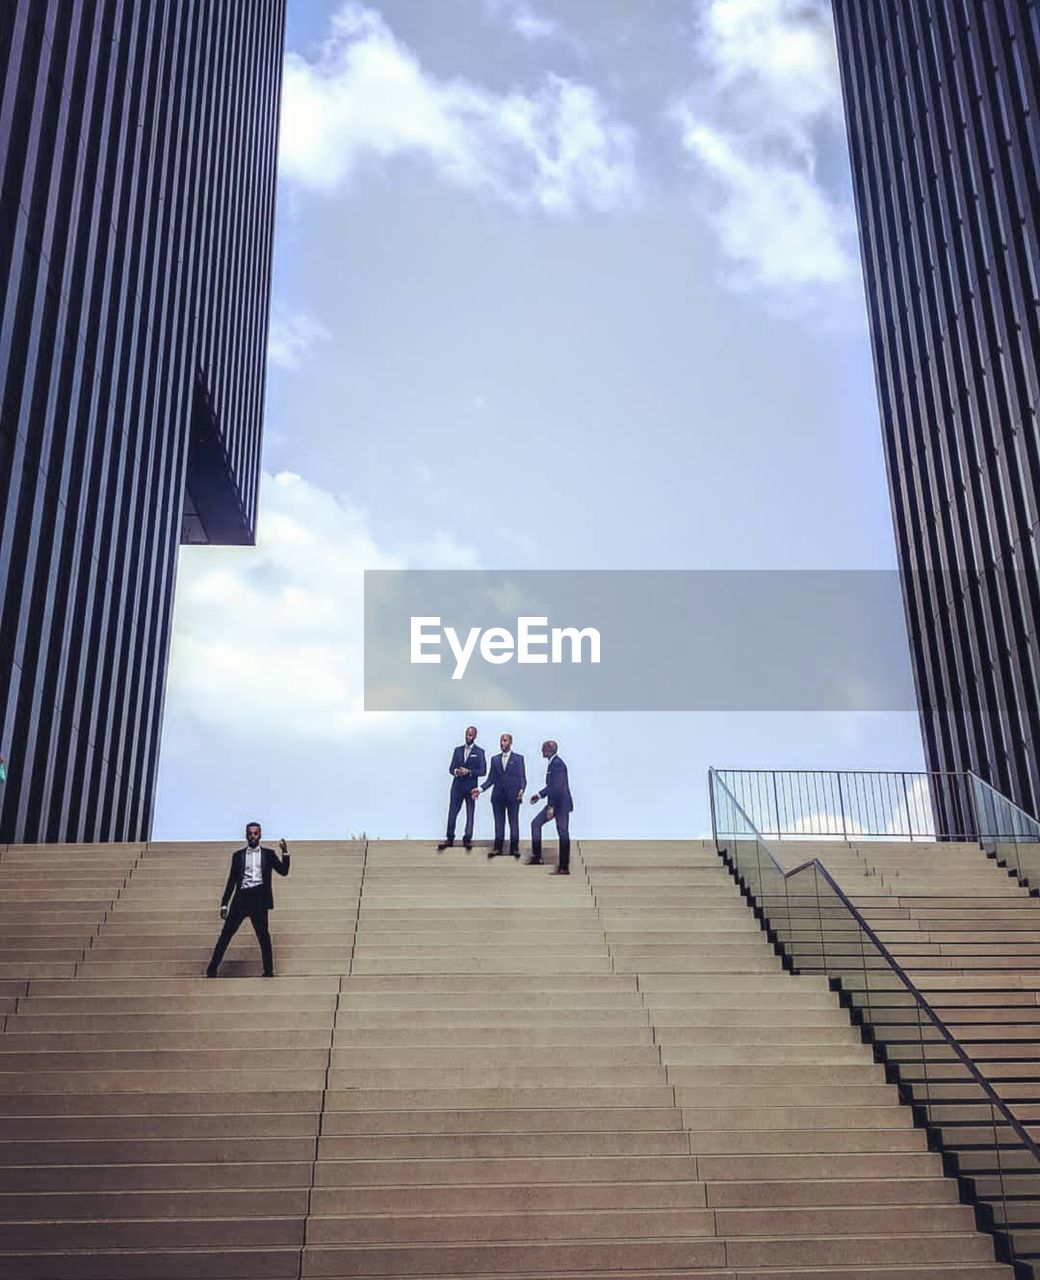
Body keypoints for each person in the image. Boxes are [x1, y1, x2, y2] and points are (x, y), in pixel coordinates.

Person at [206, 823, 290, 977]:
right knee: (225, 935)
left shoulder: (269, 854)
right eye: (250, 833)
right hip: (241, 898)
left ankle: (268, 970)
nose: (253, 836)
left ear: (260, 835)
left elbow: (284, 872)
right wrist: (224, 904)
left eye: (255, 833)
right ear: (246, 835)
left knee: (264, 936)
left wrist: (285, 853)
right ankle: (212, 969)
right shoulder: (238, 856)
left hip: (259, 898)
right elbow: (231, 880)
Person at [473, 733, 526, 858]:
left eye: (505, 740)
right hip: (498, 797)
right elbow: (491, 778)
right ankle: (498, 848)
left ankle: (514, 848)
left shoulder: (518, 758)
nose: (502, 743)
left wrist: (522, 789)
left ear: (510, 742)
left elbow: (522, 777)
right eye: (501, 741)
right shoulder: (495, 759)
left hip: (513, 796)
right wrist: (480, 789)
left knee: (513, 822)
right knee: (499, 823)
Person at [437, 725, 486, 851]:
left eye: (470, 735)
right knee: (452, 811)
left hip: (470, 787)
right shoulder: (457, 750)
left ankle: (467, 838)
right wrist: (456, 771)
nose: (468, 737)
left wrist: (469, 772)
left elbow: (483, 771)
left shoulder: (480, 752)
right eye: (467, 734)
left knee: (470, 812)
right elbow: (450, 768)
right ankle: (450, 837)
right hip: (457, 786)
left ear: (475, 736)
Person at [529, 740, 574, 874]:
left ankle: (564, 867)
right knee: (536, 824)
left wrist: (551, 806)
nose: (541, 751)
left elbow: (558, 787)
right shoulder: (553, 763)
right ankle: (537, 857)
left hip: (561, 805)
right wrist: (539, 795)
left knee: (563, 833)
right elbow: (551, 786)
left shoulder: (557, 764)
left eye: (543, 749)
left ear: (549, 750)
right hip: (557, 803)